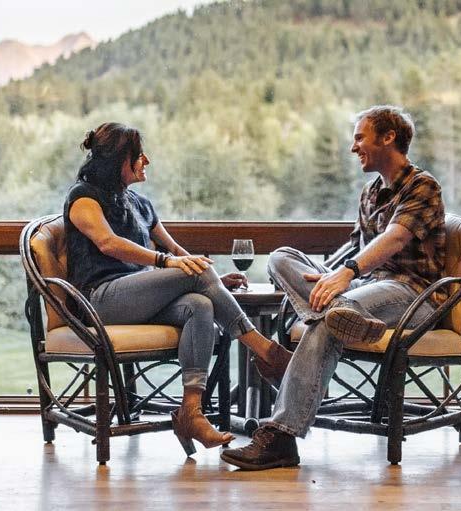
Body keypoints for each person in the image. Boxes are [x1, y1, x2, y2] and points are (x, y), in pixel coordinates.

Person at [220, 105, 446, 470]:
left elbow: (394, 238)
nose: (353, 147)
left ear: (388, 138)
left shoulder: (423, 186)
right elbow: (356, 246)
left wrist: (346, 273)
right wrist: (325, 274)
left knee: (327, 323)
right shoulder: (370, 192)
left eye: (360, 138)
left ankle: (282, 436)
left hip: (412, 294)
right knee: (281, 258)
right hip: (364, 288)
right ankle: (338, 312)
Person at [64, 122, 292, 455]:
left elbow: (176, 251)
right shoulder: (84, 197)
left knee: (200, 304)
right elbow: (108, 243)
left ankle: (191, 413)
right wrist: (166, 262)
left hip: (137, 300)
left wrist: (213, 280)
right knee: (197, 280)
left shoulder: (140, 204)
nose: (146, 161)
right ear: (118, 160)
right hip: (99, 300)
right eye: (139, 155)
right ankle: (266, 352)